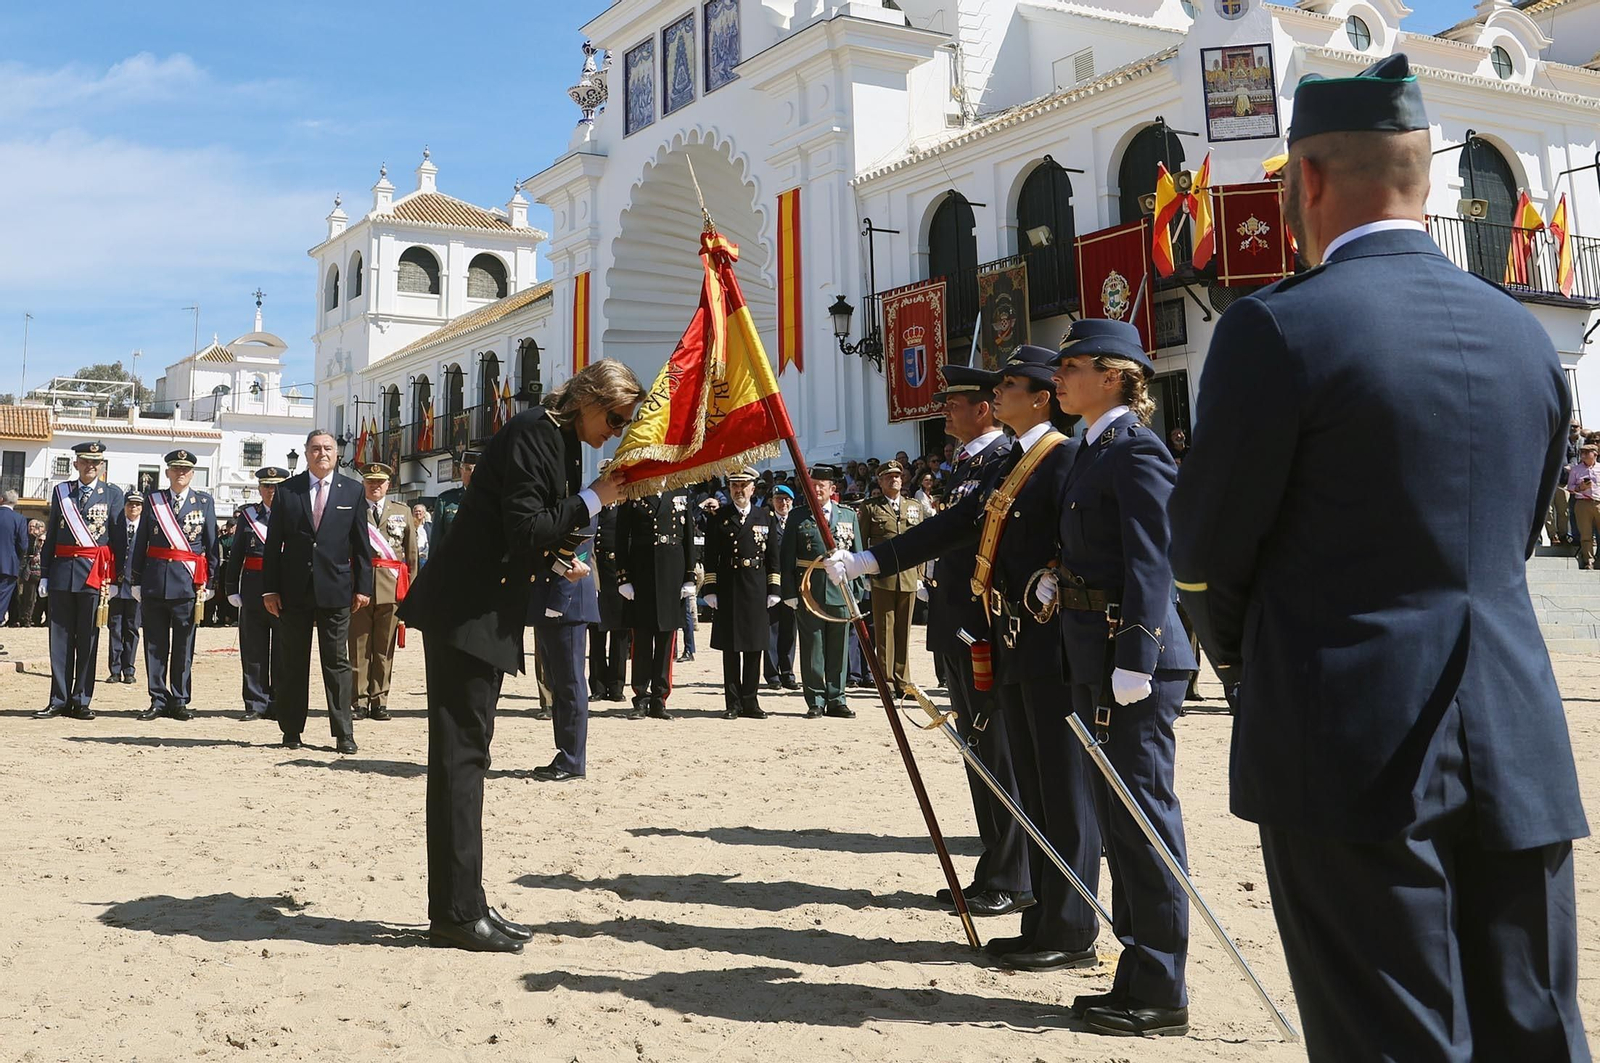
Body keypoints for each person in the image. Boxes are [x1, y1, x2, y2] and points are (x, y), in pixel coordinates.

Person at [1169, 55, 1589, 1060]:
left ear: (1306, 181)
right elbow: (1519, 525)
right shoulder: (1523, 336)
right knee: (1534, 1030)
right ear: (1427, 180)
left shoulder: (1275, 329)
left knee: (1389, 1038)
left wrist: (1251, 667)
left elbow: (1204, 556)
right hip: (1516, 740)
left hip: (1346, 745)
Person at [829, 347, 1101, 954]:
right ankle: (1045, 921)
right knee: (1032, 787)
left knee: (1060, 788)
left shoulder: (1059, 459)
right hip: (1014, 640)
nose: (995, 393)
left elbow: (1087, 538)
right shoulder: (1018, 462)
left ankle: (1071, 926)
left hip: (1049, 642)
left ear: (1039, 397)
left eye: (1007, 385)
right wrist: (873, 558)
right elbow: (958, 527)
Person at [399, 357, 640, 952]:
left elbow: (528, 533)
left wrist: (561, 554)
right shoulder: (539, 432)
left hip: (484, 609)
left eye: (623, 422)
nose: (615, 429)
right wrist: (596, 497)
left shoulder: (558, 440)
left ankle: (465, 899)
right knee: (460, 760)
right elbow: (526, 525)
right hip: (467, 611)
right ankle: (455, 911)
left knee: (469, 757)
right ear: (587, 400)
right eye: (613, 416)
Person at [1044, 318, 1197, 1037]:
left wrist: (1137, 653)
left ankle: (1162, 987)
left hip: (1126, 660)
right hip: (1091, 653)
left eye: (1072, 365)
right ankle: (1136, 970)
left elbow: (1150, 559)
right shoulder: (1090, 448)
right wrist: (1054, 579)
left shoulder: (1136, 450)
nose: (1059, 377)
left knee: (1143, 822)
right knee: (1117, 822)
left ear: (1114, 373)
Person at [913, 365, 1030, 920]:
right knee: (977, 755)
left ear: (983, 407)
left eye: (954, 402)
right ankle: (994, 867)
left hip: (980, 629)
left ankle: (1014, 874)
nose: (945, 411)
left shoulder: (1001, 460)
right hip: (955, 627)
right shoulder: (965, 463)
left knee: (997, 755)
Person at [261, 428, 374, 755]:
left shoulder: (352, 491)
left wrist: (363, 587)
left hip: (336, 590)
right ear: (306, 452)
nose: (321, 453)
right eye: (315, 448)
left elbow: (361, 546)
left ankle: (343, 733)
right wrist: (270, 589)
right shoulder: (287, 491)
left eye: (327, 448)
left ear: (336, 454)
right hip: (293, 591)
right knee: (293, 663)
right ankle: (291, 730)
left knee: (337, 663)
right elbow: (273, 547)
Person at [131, 449, 221, 722]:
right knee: (155, 645)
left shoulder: (203, 502)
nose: (180, 473)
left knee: (184, 645)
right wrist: (135, 579)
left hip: (187, 584)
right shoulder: (153, 500)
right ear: (168, 472)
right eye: (175, 468)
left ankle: (180, 699)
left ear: (192, 473)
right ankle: (158, 698)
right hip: (155, 581)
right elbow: (141, 542)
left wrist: (211, 581)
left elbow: (211, 542)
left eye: (185, 469)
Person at [36, 441, 123, 721]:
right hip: (62, 574)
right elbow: (51, 538)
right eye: (85, 461)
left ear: (102, 465)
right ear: (76, 464)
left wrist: (116, 577)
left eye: (96, 462)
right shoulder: (62, 492)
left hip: (93, 575)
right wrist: (46, 574)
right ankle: (58, 698)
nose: (91, 466)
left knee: (88, 639)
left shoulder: (112, 494)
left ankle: (81, 699)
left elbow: (119, 539)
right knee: (59, 641)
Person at [782, 465, 868, 718]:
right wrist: (789, 592)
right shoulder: (798, 517)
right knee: (813, 647)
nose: (817, 489)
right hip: (809, 590)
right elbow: (787, 556)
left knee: (839, 646)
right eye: (813, 484)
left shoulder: (847, 515)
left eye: (822, 485)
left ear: (833, 489)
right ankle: (816, 699)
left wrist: (857, 590)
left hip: (841, 590)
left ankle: (837, 698)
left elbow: (857, 555)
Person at [702, 466, 782, 719]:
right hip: (729, 588)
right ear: (729, 488)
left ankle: (751, 701)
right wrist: (710, 589)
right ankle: (733, 703)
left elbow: (773, 557)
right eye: (734, 486)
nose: (739, 490)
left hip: (756, 588)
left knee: (754, 648)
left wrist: (774, 588)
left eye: (743, 486)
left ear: (752, 488)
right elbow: (711, 556)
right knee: (731, 649)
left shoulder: (764, 516)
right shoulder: (720, 517)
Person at [529, 519, 600, 782]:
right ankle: (565, 754)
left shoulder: (583, 505)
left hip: (566, 604)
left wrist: (559, 599)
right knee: (558, 683)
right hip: (549, 601)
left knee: (570, 683)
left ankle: (572, 760)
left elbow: (576, 554)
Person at [616, 490, 695, 720]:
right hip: (642, 574)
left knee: (665, 641)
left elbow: (688, 537)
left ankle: (660, 698)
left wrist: (689, 576)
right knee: (641, 640)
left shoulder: (680, 493)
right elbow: (621, 538)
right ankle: (640, 697)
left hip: (672, 574)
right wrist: (624, 578)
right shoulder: (635, 493)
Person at [348, 464, 416, 722]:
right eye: (370, 481)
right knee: (358, 647)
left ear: (389, 484)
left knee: (384, 649)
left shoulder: (402, 512)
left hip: (392, 588)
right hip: (359, 589)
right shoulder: (352, 510)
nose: (375, 486)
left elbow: (411, 558)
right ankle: (358, 701)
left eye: (380, 482)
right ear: (364, 483)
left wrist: (409, 594)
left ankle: (380, 700)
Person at [859, 460, 931, 695]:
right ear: (880, 481)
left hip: (909, 575)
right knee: (884, 630)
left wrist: (920, 575)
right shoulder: (871, 508)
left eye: (898, 476)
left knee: (904, 631)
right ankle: (887, 680)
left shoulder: (914, 506)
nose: (895, 480)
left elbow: (920, 543)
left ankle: (904, 679)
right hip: (883, 576)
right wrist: (865, 574)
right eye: (889, 477)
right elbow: (862, 543)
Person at [225, 467, 286, 721]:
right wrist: (231, 588)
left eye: (275, 487)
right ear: (259, 489)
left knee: (283, 650)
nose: (271, 491)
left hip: (284, 589)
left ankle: (279, 703)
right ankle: (255, 702)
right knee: (253, 649)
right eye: (266, 486)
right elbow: (236, 553)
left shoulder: (293, 513)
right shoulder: (249, 516)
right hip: (252, 588)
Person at [588, 503, 630, 701]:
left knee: (619, 636)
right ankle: (597, 685)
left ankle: (616, 686)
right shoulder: (595, 510)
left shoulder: (623, 509)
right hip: (596, 576)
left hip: (617, 575)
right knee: (596, 634)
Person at [762, 485, 801, 689]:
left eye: (786, 500)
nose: (782, 503)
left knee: (789, 629)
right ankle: (772, 673)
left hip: (791, 584)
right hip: (771, 582)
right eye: (778, 499)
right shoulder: (766, 522)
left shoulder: (795, 523)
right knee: (771, 629)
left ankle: (788, 671)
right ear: (772, 501)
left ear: (792, 502)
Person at [105, 491, 143, 684]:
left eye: (137, 505)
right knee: (115, 628)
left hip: (135, 587)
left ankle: (129, 669)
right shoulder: (116, 528)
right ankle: (114, 669)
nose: (133, 508)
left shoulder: (145, 529)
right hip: (117, 586)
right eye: (130, 504)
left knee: (132, 629)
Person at [431, 450, 477, 552]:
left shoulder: (491, 501)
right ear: (461, 471)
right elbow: (436, 540)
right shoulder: (446, 501)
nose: (472, 473)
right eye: (468, 469)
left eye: (477, 469)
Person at [0, 489, 26, 627]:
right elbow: (23, 545)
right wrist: (17, 559)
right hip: (8, 566)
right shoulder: (19, 519)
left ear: (1, 500)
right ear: (16, 502)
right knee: (2, 603)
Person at [1571, 443, 1599, 569]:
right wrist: (1579, 487)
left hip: (1598, 502)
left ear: (1595, 454)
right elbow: (1569, 487)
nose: (1584, 455)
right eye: (1582, 452)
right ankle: (1589, 561)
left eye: (1587, 452)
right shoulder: (1576, 469)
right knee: (1586, 534)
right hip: (1582, 503)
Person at [14, 519, 45, 627]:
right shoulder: (29, 541)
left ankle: (37, 619)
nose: (35, 529)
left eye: (38, 527)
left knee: (42, 599)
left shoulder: (46, 540)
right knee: (28, 598)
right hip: (30, 573)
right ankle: (26, 619)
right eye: (33, 527)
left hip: (42, 573)